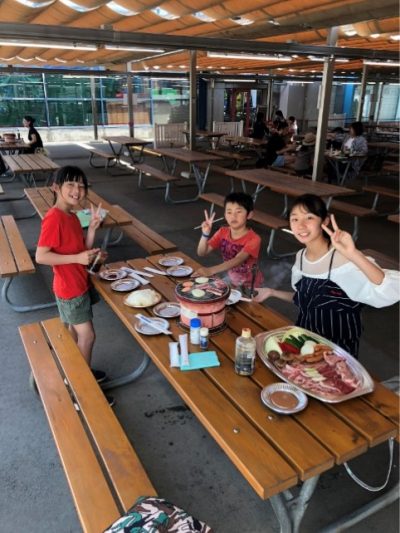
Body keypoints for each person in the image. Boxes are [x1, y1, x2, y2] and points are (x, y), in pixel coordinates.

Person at [254, 194, 399, 358]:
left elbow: (389, 289)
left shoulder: (342, 257)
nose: (301, 225)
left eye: (309, 217)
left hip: (337, 350)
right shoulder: (301, 256)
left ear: (325, 221)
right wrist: (272, 292)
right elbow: (305, 299)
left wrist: (353, 254)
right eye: (295, 219)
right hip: (305, 342)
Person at [35, 166, 114, 405]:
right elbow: (41, 256)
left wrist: (92, 233)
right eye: (70, 184)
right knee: (87, 336)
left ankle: (74, 372)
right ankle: (80, 388)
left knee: (72, 335)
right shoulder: (54, 218)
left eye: (81, 186)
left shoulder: (71, 216)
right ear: (55, 187)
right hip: (69, 289)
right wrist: (77, 258)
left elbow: (80, 250)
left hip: (76, 284)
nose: (77, 190)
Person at [194, 192, 264, 291]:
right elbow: (201, 252)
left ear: (249, 215)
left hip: (250, 283)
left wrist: (210, 270)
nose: (233, 216)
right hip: (232, 279)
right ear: (225, 215)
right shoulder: (222, 232)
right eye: (229, 212)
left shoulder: (254, 238)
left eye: (238, 212)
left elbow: (238, 259)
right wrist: (205, 234)